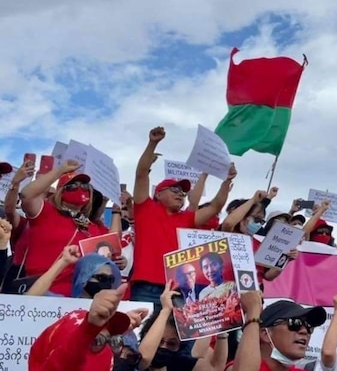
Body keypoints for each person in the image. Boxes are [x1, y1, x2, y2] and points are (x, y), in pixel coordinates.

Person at [130, 126, 233, 304]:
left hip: (176, 290)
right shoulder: (145, 208)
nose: (180, 194)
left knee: (172, 333)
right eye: (175, 189)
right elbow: (140, 175)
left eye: (183, 192)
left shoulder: (187, 219)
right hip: (145, 287)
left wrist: (227, 181)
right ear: (158, 194)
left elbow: (216, 206)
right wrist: (152, 144)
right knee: (144, 332)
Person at [18, 160, 108, 296]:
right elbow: (26, 195)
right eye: (72, 186)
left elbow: (104, 258)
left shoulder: (92, 227)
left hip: (77, 297)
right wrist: (60, 170)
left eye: (84, 186)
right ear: (60, 191)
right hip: (42, 292)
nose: (80, 189)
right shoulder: (46, 213)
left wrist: (119, 262)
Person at [28, 283, 138, 371]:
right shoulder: (65, 356)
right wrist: (89, 328)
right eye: (97, 340)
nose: (106, 347)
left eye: (114, 341)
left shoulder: (107, 354)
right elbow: (63, 362)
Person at [227, 296, 326, 371]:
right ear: (265, 334)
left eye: (309, 326)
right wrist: (253, 310)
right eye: (294, 323)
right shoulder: (238, 367)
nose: (304, 331)